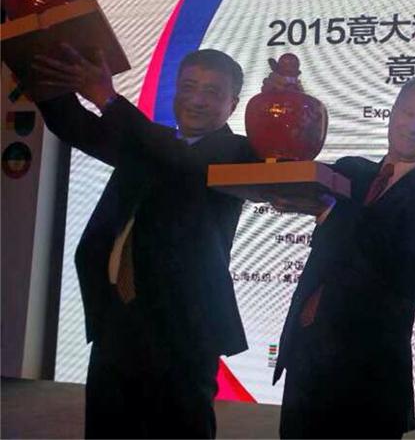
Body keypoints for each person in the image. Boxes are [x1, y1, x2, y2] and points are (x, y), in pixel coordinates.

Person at [30, 46, 255, 438]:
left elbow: (183, 165)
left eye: (212, 92)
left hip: (184, 329)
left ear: (232, 104)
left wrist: (108, 99)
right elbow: (75, 126)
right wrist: (41, 73)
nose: (197, 100)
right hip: (118, 317)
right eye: (189, 87)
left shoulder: (237, 153)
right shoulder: (150, 144)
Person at [274, 77, 415, 439]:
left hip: (368, 380)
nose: (414, 126)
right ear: (391, 114)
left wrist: (329, 213)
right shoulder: (350, 173)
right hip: (306, 358)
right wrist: (286, 101)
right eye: (407, 113)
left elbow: (395, 266)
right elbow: (291, 167)